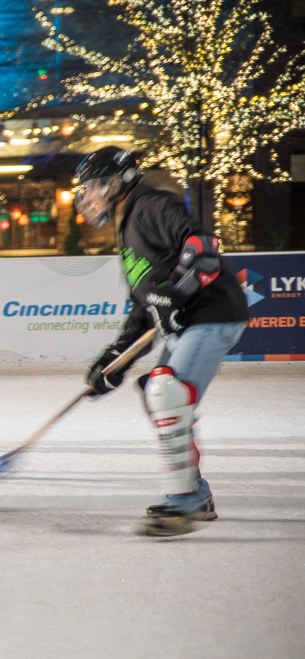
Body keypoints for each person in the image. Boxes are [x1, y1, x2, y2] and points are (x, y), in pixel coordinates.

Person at [75, 147, 249, 536]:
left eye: (91, 187)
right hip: (188, 321)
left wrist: (175, 293)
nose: (86, 197)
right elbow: (145, 307)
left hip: (211, 313)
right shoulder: (126, 228)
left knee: (166, 392)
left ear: (116, 183)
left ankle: (184, 502)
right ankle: (194, 494)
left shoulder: (151, 205)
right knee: (156, 394)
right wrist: (113, 361)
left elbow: (202, 248)